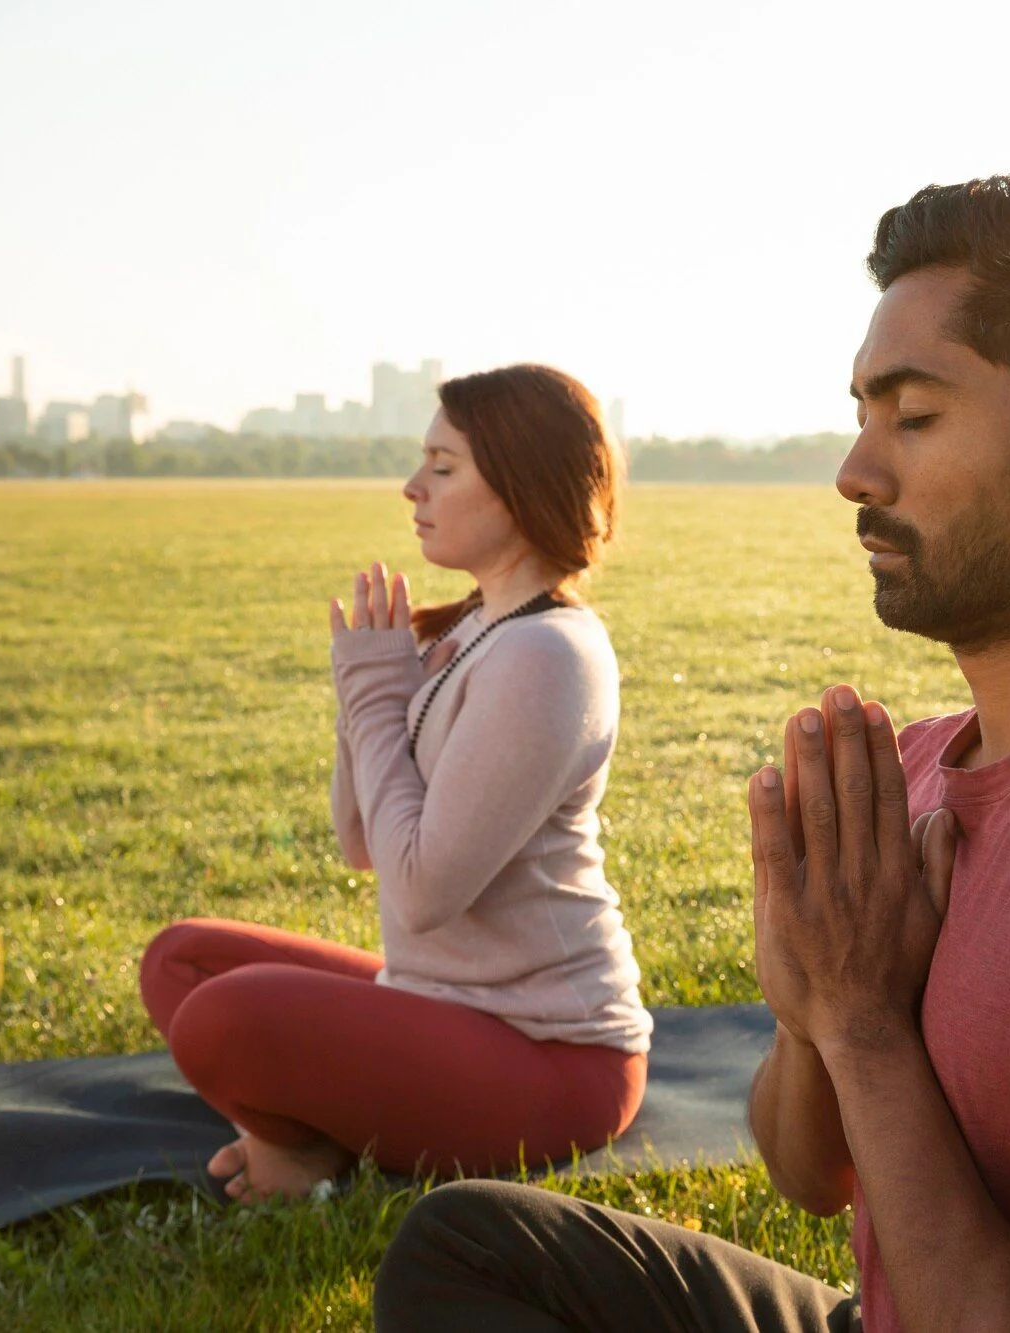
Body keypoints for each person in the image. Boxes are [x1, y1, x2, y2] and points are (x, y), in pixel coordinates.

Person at [372, 178, 1010, 1333]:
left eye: (914, 417)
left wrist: (860, 1019)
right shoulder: (925, 769)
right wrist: (807, 1001)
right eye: (861, 414)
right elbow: (807, 1170)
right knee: (472, 1248)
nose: (855, 471)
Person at [140, 363, 650, 1201]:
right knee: (181, 960)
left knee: (225, 1021)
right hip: (435, 1001)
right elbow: (361, 846)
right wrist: (363, 693)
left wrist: (378, 695)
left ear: (522, 484)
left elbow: (420, 894)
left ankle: (304, 1147)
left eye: (443, 468)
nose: (412, 488)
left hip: (552, 1060)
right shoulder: (475, 628)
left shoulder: (549, 656)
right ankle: (313, 1139)